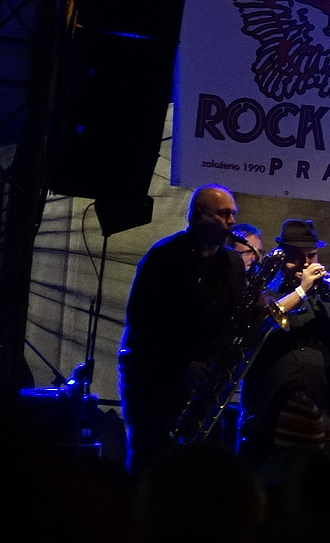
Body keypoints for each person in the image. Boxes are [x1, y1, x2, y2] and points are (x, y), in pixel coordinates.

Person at [118, 184, 246, 476]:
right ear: (198, 216)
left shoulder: (233, 264)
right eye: (223, 214)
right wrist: (182, 363)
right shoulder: (164, 257)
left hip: (204, 386)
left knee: (201, 467)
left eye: (233, 214)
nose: (231, 221)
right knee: (154, 462)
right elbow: (142, 322)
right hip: (157, 382)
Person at [236, 219, 330, 478]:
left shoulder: (328, 297)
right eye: (297, 257)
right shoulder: (263, 289)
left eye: (312, 256)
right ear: (283, 258)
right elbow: (260, 323)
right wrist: (302, 290)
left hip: (323, 425)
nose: (306, 264)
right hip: (266, 422)